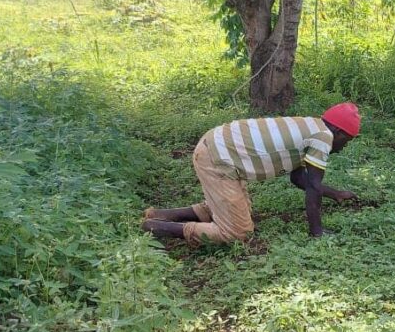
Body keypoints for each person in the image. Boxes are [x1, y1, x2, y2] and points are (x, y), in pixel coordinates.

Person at [141, 102, 361, 244]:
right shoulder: (324, 138)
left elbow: (298, 178)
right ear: (339, 132)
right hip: (219, 159)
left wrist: (336, 194)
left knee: (236, 210)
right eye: (347, 141)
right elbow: (312, 187)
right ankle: (158, 228)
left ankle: (162, 214)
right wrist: (317, 232)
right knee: (238, 232)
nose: (344, 147)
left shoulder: (310, 126)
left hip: (218, 149)